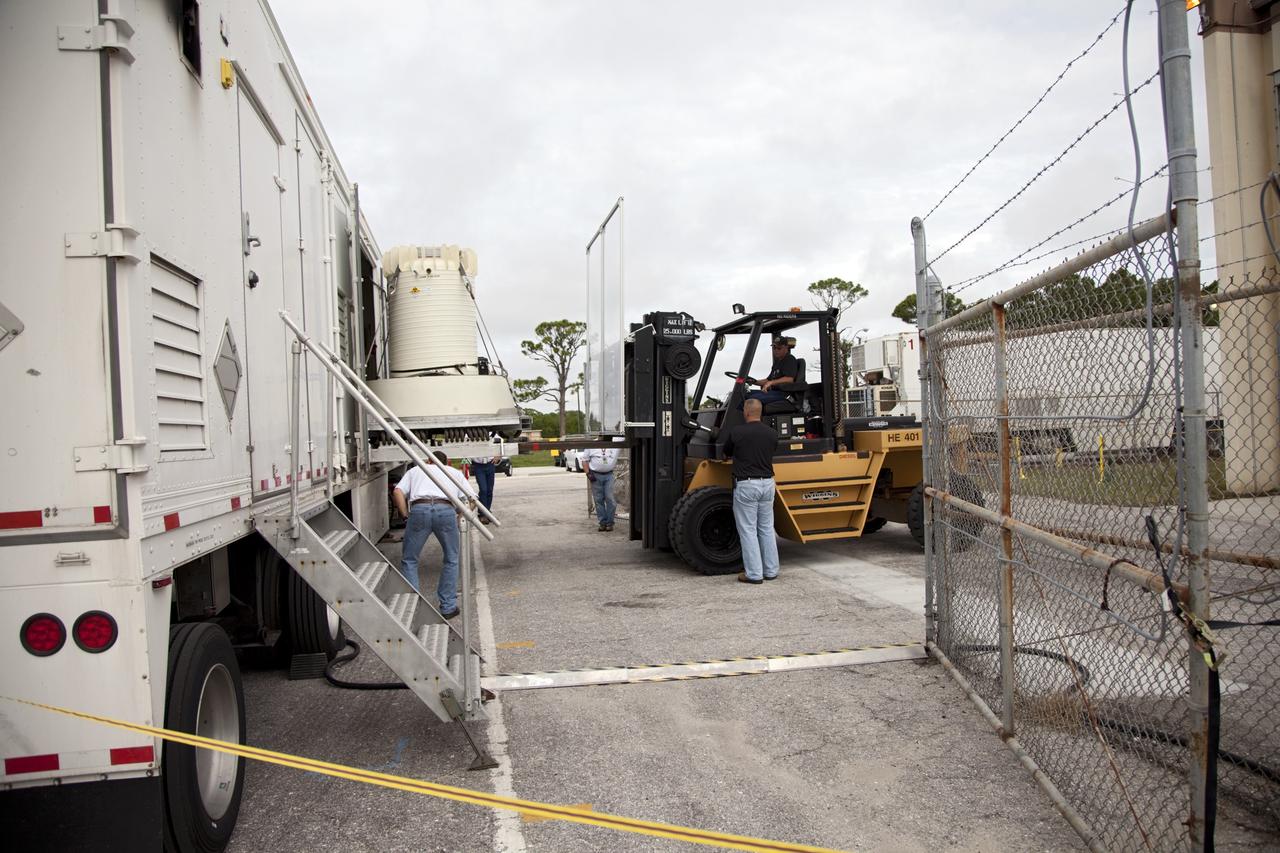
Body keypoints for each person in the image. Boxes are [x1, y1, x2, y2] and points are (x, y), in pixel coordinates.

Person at [391, 451, 471, 618]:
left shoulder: (415, 471)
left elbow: (397, 492)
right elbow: (472, 498)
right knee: (451, 558)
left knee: (410, 559)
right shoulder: (454, 473)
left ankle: (412, 607)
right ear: (446, 462)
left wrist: (405, 515)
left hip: (420, 509)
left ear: (428, 461)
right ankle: (448, 607)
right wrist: (460, 516)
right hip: (446, 509)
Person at [723, 398, 779, 584]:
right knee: (766, 528)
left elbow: (726, 451)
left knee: (748, 530)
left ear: (746, 412)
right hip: (768, 484)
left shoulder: (737, 432)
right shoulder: (772, 433)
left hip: (747, 485)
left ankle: (754, 574)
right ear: (760, 412)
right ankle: (771, 570)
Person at [745, 336, 798, 406]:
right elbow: (768, 380)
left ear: (786, 347)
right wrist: (754, 382)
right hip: (773, 392)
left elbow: (789, 379)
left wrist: (771, 383)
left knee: (753, 400)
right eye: (774, 348)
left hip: (784, 394)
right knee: (744, 394)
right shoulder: (777, 362)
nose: (776, 350)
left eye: (779, 348)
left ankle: (753, 416)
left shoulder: (789, 359)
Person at [581, 444, 621, 531]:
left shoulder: (614, 443)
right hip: (595, 475)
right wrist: (588, 473)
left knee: (610, 499)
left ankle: (610, 523)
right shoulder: (592, 445)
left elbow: (623, 436)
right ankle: (602, 523)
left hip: (609, 475)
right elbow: (584, 460)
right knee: (598, 500)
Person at [468, 448, 500, 524]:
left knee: (489, 490)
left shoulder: (492, 435)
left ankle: (487, 513)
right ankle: (482, 514)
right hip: (478, 466)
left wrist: (499, 455)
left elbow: (499, 443)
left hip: (490, 464)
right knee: (483, 489)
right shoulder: (469, 436)